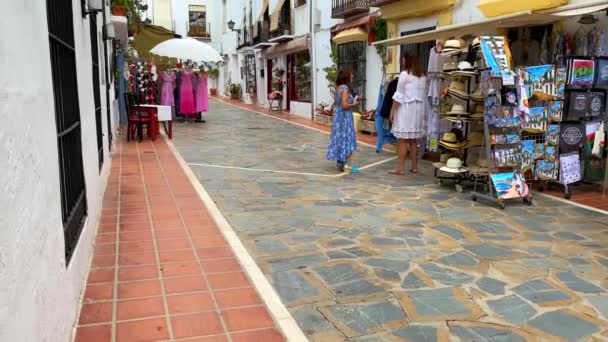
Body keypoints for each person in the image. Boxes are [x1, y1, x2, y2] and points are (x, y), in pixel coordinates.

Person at [389, 55, 427, 175]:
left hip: (406, 108)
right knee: (413, 140)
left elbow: (399, 94)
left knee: (403, 139)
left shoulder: (405, 74)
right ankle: (414, 167)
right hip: (418, 110)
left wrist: (392, 110)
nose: (402, 62)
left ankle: (400, 167)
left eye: (403, 60)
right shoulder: (423, 76)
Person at [327, 69, 360, 172]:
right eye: (351, 75)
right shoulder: (345, 89)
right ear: (346, 77)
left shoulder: (338, 88)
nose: (352, 77)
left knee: (340, 138)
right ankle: (345, 164)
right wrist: (354, 104)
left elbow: (338, 103)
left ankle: (340, 162)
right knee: (347, 138)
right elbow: (345, 105)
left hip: (339, 117)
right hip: (345, 117)